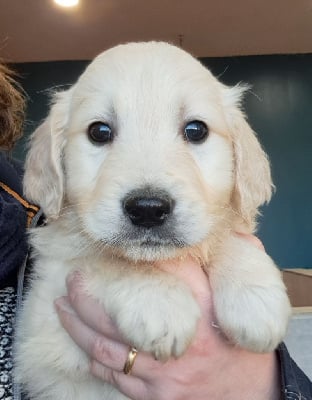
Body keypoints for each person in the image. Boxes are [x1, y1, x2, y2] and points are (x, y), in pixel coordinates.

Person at [0, 62, 311, 400]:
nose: (148, 192)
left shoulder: (21, 212)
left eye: (195, 131)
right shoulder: (45, 228)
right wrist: (123, 278)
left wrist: (262, 385)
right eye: (100, 132)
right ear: (56, 157)